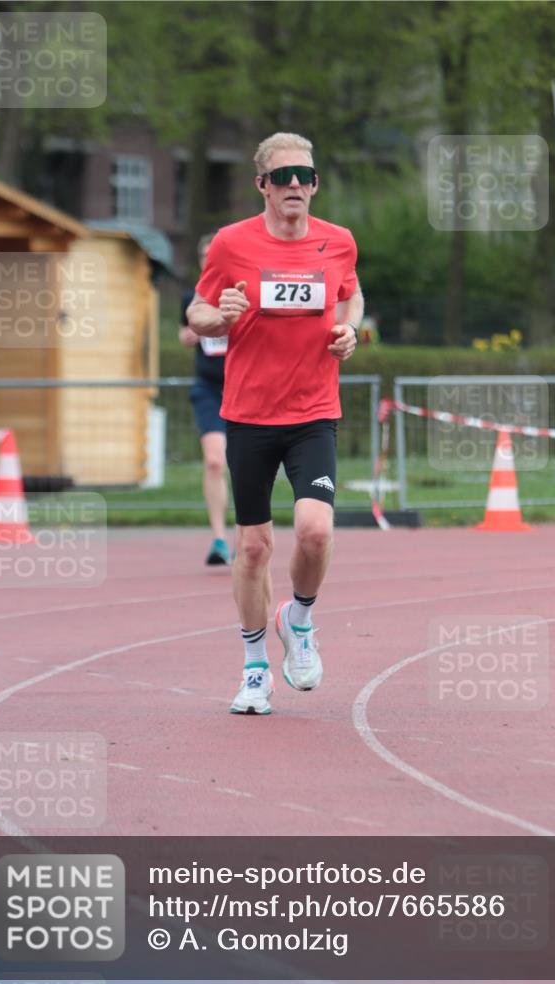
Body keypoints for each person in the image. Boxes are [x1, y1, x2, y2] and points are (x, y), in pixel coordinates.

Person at [187, 132, 363, 715]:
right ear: (262, 183)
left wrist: (349, 330)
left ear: (315, 184)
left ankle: (300, 619)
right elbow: (197, 311)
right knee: (256, 547)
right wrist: (221, 315)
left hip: (314, 411)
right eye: (283, 176)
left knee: (315, 530)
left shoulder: (338, 242)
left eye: (305, 177)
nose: (295, 186)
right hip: (249, 414)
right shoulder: (232, 243)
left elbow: (351, 295)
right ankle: (255, 667)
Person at [179, 233, 232, 566]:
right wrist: (202, 326)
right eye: (205, 256)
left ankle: (252, 533)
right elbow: (185, 337)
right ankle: (219, 539)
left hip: (245, 389)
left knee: (246, 465)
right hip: (210, 389)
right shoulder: (193, 297)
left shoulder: (239, 293)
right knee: (215, 461)